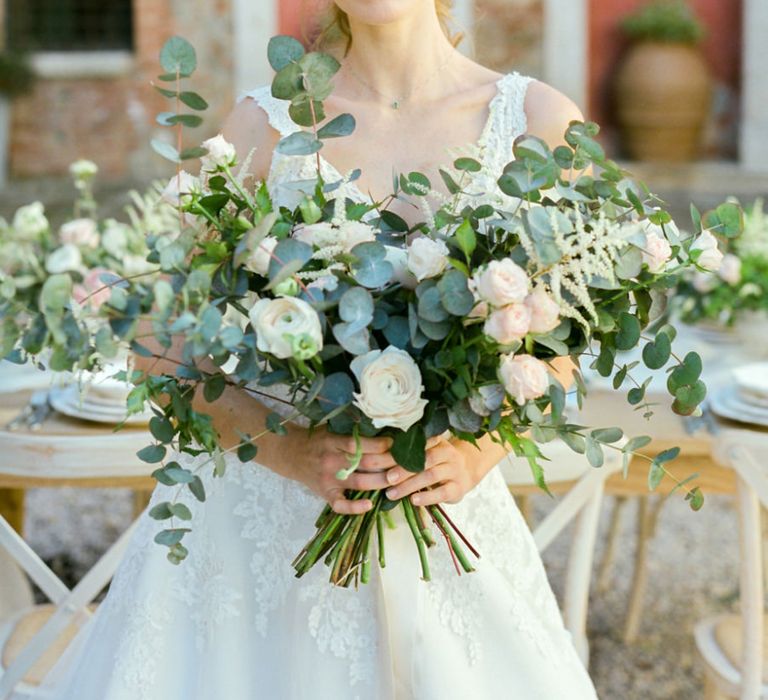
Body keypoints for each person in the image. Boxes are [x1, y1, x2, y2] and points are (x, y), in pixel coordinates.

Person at [38, 1, 599, 698]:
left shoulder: (539, 125)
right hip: (254, 549)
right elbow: (161, 345)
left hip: (444, 518)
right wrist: (290, 453)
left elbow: (568, 338)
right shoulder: (261, 126)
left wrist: (481, 450)